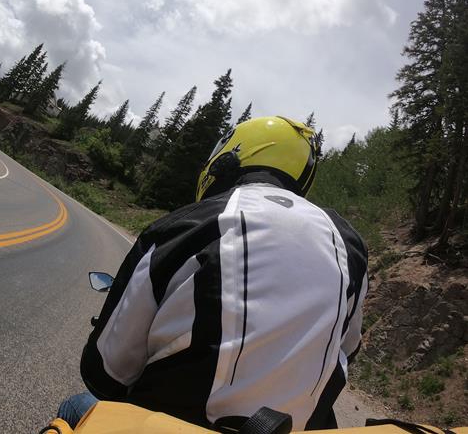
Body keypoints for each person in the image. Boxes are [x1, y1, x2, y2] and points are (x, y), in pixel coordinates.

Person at [60, 116, 368, 430]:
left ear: (231, 156)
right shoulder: (349, 243)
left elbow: (106, 371)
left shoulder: (194, 221)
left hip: (166, 423)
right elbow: (347, 348)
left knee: (77, 406)